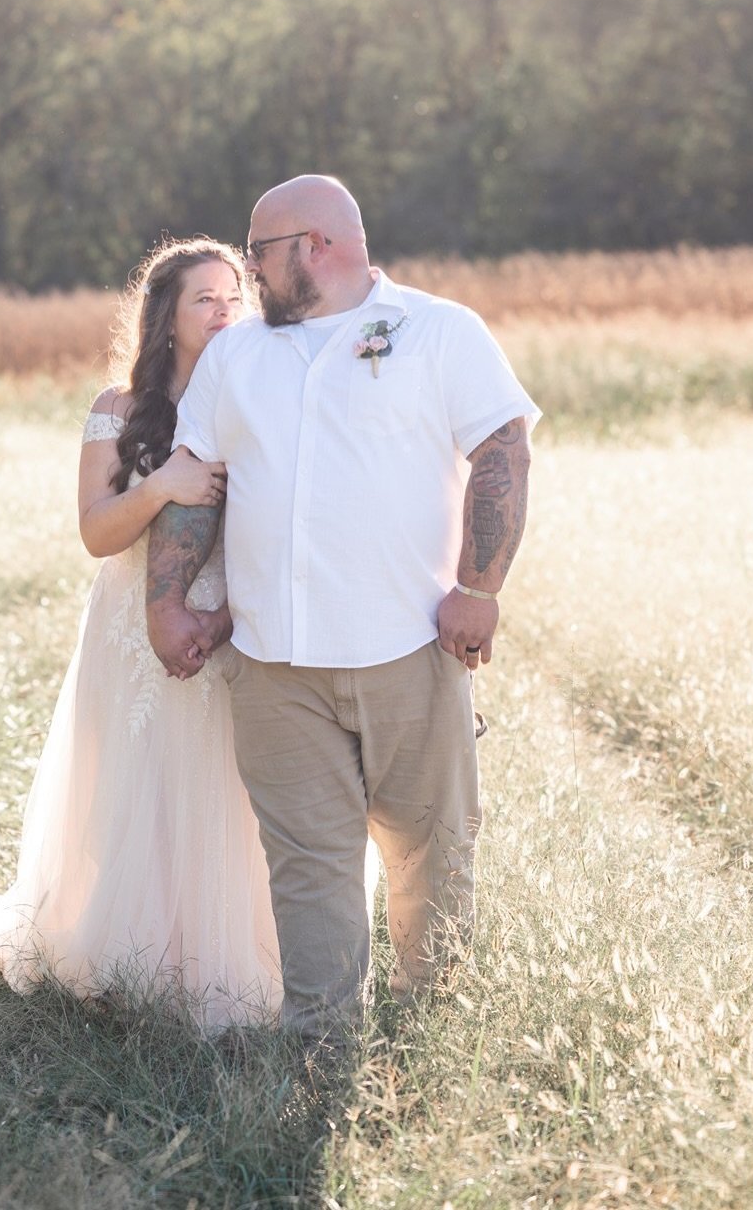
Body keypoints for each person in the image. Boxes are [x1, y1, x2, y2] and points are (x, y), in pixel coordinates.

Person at [146, 175, 538, 1037]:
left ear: (313, 247)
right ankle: (321, 1040)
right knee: (306, 864)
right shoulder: (237, 356)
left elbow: (502, 450)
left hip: (407, 649)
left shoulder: (437, 330)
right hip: (274, 666)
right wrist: (166, 601)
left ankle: (432, 1029)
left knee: (430, 851)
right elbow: (194, 488)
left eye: (257, 253)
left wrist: (478, 589)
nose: (248, 272)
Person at [0, 238, 285, 1030]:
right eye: (205, 297)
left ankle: (220, 964)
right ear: (166, 314)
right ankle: (129, 960)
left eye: (234, 296)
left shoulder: (256, 400)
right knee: (136, 785)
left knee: (220, 790)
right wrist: (164, 483)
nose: (225, 310)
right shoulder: (118, 408)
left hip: (225, 621)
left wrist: (224, 613)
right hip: (130, 624)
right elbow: (96, 531)